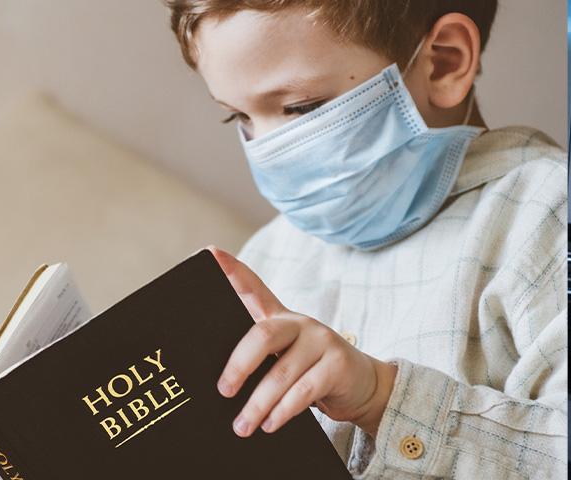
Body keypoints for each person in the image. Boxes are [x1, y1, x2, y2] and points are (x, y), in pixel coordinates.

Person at [165, 1, 568, 478]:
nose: (269, 151)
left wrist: (382, 397)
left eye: (301, 107)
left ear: (444, 62)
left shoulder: (544, 212)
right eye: (240, 118)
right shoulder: (269, 258)